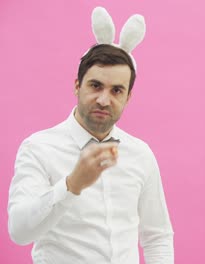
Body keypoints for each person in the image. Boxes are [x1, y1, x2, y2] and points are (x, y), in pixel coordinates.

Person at [8, 8, 174, 264]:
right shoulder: (38, 148)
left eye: (117, 90)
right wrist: (71, 185)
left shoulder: (140, 154)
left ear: (128, 97)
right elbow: (19, 231)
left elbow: (157, 237)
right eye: (95, 86)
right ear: (77, 85)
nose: (104, 100)